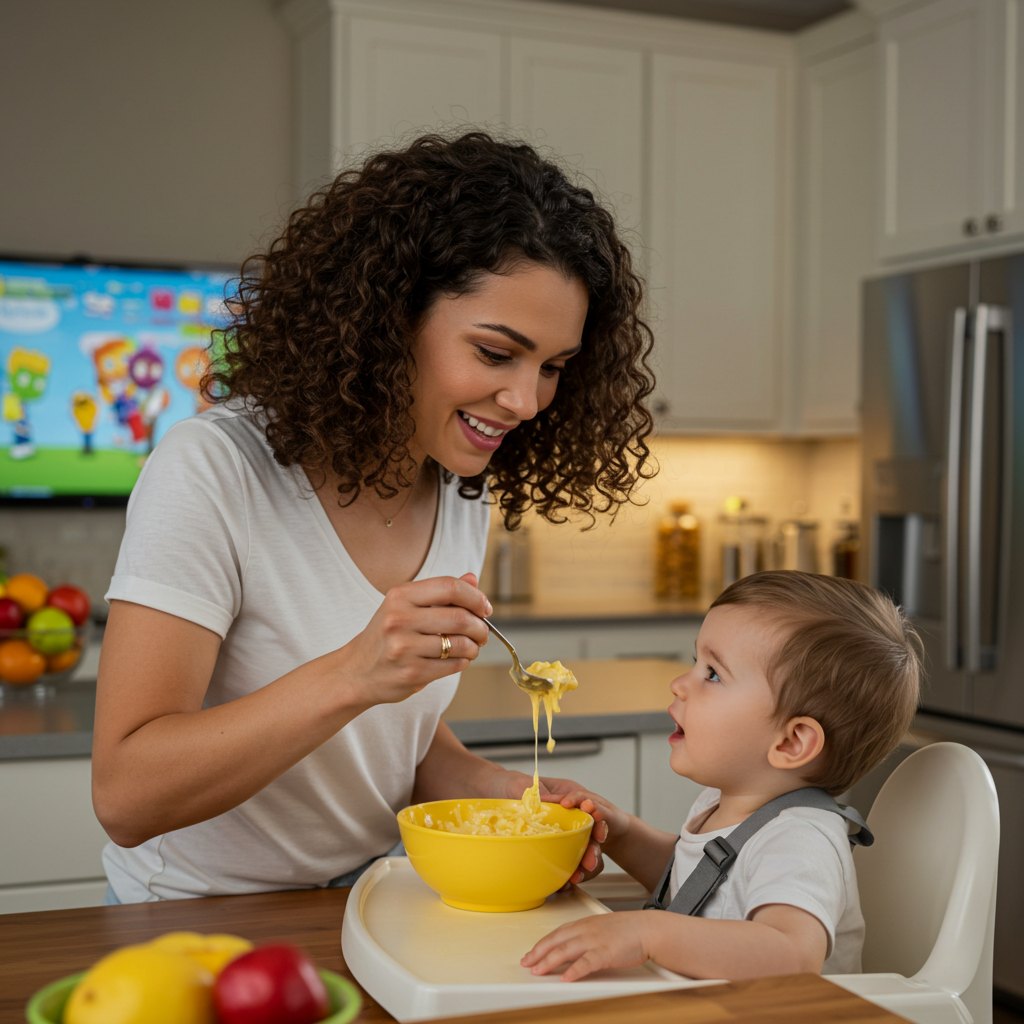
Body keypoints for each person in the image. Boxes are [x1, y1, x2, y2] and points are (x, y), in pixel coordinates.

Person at [92, 131, 656, 903]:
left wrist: (502, 792)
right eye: (496, 354)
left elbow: (398, 742)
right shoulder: (214, 470)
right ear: (388, 322)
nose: (527, 402)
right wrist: (353, 673)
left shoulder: (460, 487)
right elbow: (127, 796)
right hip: (194, 912)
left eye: (553, 368)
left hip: (369, 895)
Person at [523, 571, 922, 981]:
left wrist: (649, 933)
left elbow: (792, 955)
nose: (679, 684)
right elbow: (699, 882)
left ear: (791, 742)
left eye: (712, 674)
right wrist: (622, 834)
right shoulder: (725, 804)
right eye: (695, 662)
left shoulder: (801, 838)